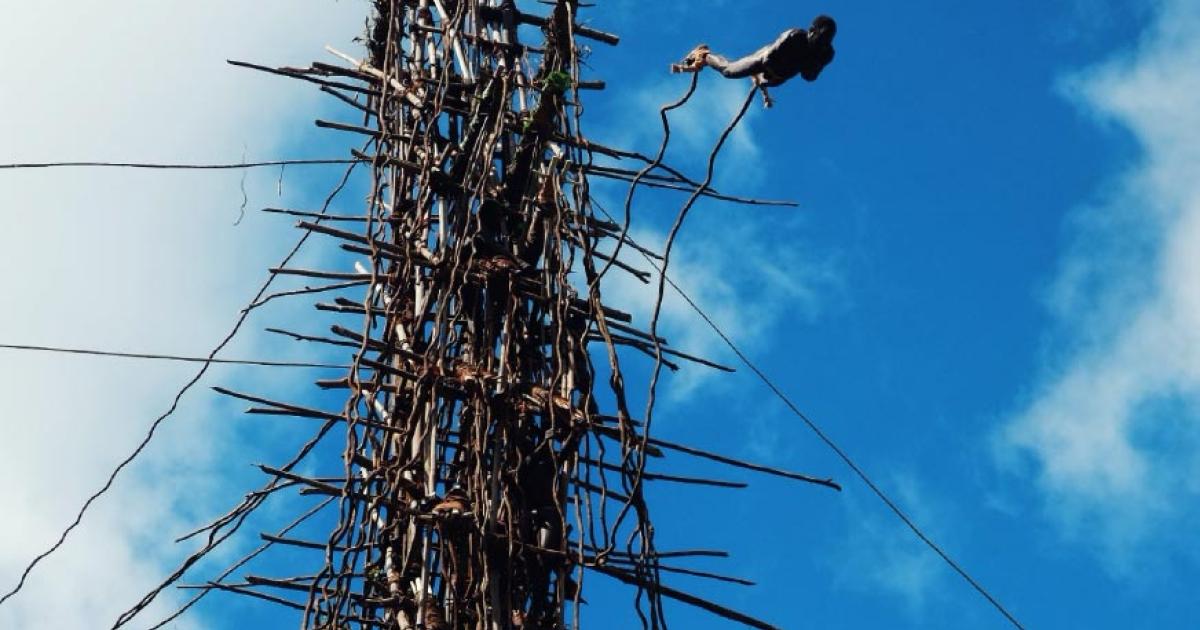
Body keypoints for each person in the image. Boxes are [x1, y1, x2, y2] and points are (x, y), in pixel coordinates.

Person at [672, 15, 837, 107]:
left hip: (779, 76)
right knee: (729, 71)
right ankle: (705, 55)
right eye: (819, 38)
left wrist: (813, 63)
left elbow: (809, 77)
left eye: (825, 42)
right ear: (811, 31)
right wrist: (765, 74)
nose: (821, 44)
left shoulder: (826, 54)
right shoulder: (794, 36)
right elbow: (768, 59)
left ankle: (766, 80)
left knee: (765, 82)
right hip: (762, 61)